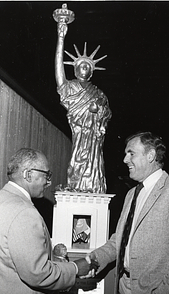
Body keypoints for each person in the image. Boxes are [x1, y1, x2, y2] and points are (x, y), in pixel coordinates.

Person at [87, 131, 169, 294]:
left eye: (131, 153)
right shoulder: (131, 194)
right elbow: (119, 240)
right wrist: (92, 260)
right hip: (122, 288)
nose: (125, 160)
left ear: (150, 156)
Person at [0, 148, 98, 294]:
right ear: (28, 174)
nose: (48, 182)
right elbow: (38, 274)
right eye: (46, 175)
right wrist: (75, 268)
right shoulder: (24, 212)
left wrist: (55, 257)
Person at [55, 18, 112, 193]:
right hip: (79, 134)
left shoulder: (99, 93)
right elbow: (58, 72)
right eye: (81, 66)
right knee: (77, 160)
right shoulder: (70, 87)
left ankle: (93, 186)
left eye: (88, 67)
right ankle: (75, 185)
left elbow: (107, 113)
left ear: (92, 71)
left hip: (94, 138)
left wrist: (99, 111)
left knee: (95, 162)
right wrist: (61, 37)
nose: (84, 69)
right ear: (75, 68)